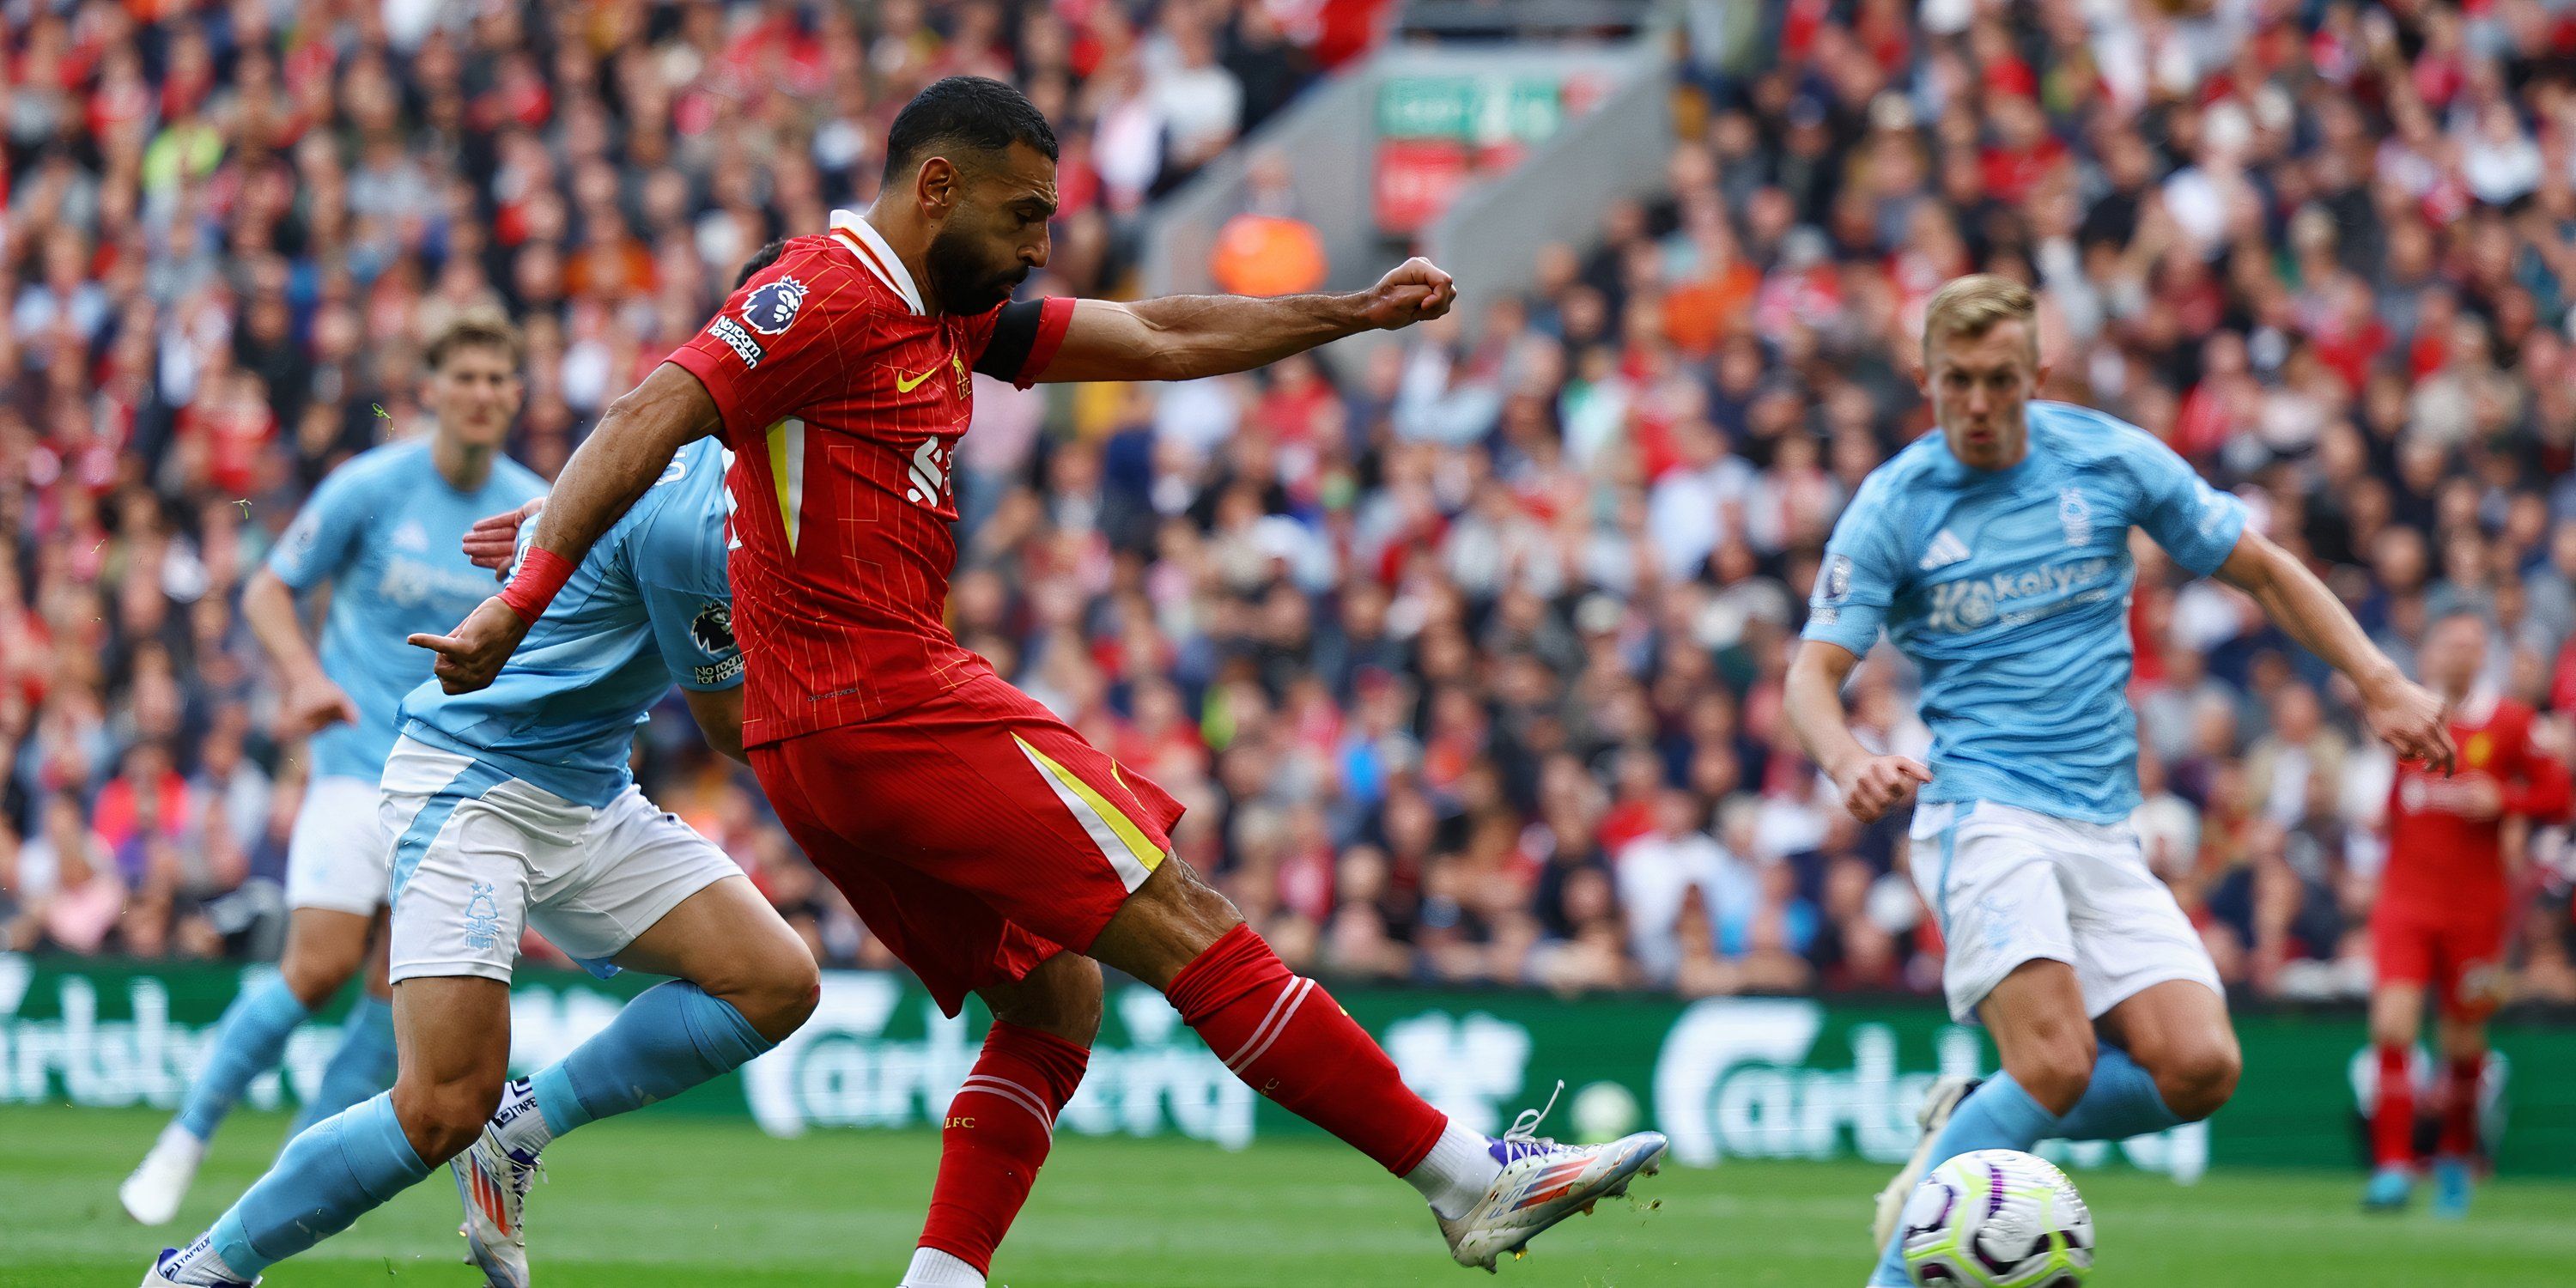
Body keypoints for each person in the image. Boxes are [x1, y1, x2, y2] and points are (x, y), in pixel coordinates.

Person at [414, 76, 1667, 1287]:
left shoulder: (942, 309)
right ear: (939, 187)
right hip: (888, 703)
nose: (1039, 246)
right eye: (1023, 217)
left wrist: (1347, 312)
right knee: (1183, 916)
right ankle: (1467, 1178)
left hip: (819, 745)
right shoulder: (826, 292)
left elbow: (1162, 334)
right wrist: (516, 608)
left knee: (1057, 993)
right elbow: (648, 413)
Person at [1781, 274, 2455, 1288]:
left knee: (2199, 1069)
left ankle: (1973, 1119)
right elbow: (1812, 673)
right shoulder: (1896, 504)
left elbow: (2262, 567)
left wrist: (2379, 680)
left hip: (2101, 826)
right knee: (2054, 1064)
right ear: (1924, 380)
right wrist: (1848, 761)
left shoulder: (2105, 458)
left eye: (1999, 380)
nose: (1976, 404)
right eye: (1955, 381)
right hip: (1983, 809)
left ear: (2037, 376)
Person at [143, 421, 820, 1288]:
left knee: (777, 980)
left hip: (588, 791)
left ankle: (522, 1126)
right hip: (474, 783)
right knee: (439, 1108)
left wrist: (552, 518)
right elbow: (733, 727)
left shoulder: (712, 466)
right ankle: (199, 1271)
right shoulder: (699, 508)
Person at [121, 309, 551, 1227]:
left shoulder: (535, 507)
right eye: (464, 377)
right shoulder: (371, 486)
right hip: (357, 760)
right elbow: (271, 586)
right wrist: (306, 676)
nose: (481, 393)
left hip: (456, 781)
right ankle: (186, 1135)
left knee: (392, 986)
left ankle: (275, 1189)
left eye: (497, 378)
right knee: (316, 965)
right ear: (430, 390)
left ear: (517, 393)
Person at [2362, 611, 2570, 1217]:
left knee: (2463, 1039)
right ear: (2430, 651)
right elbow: (2399, 798)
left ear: (2485, 655)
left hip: (2478, 910)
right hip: (2406, 899)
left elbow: (2559, 796)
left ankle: (2455, 1159)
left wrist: (2504, 799)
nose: (2460, 654)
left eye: (2472, 645)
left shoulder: (2512, 724)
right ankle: (2394, 1166)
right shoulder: (2411, 717)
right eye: (2451, 642)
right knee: (2393, 1026)